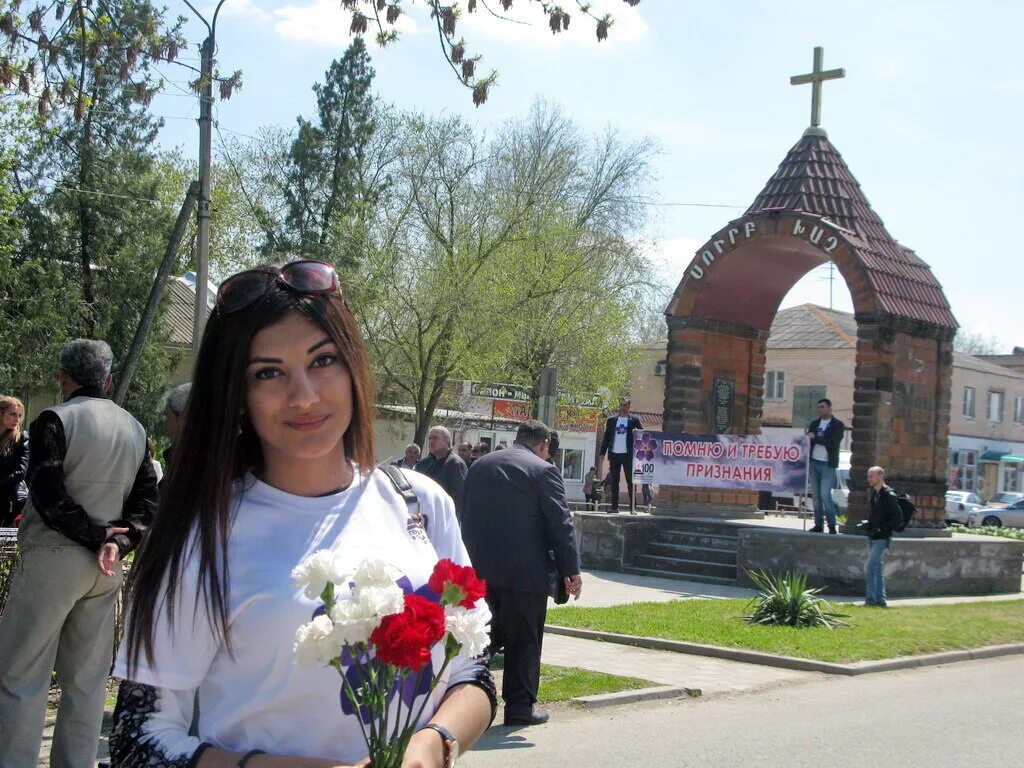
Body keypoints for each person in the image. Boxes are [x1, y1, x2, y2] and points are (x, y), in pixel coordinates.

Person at [111, 259, 495, 767]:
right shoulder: (201, 535)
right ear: (237, 393)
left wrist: (431, 745)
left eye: (323, 361)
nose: (304, 395)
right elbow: (140, 740)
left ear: (354, 366)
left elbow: (474, 671)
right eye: (268, 372)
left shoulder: (419, 503)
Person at [0, 339, 159, 768]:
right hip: (106, 567)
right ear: (107, 378)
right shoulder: (135, 428)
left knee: (20, 673)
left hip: (55, 555)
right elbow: (147, 503)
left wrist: (94, 534)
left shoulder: (54, 420)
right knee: (87, 680)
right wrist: (117, 541)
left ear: (63, 377)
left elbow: (48, 495)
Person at [461, 419, 582, 727]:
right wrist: (571, 570)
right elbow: (560, 523)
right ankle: (519, 708)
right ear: (543, 445)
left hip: (480, 569)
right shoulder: (543, 470)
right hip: (525, 574)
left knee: (483, 637)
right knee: (524, 640)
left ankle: (461, 697)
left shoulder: (479, 465)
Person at [806, 398, 846, 534]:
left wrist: (815, 437)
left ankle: (832, 526)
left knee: (825, 495)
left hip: (827, 465)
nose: (820, 409)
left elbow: (833, 443)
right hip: (814, 463)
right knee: (816, 497)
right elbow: (808, 440)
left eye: (822, 407)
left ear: (829, 408)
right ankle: (818, 525)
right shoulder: (815, 424)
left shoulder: (837, 425)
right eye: (818, 407)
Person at [864, 465, 901, 607]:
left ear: (880, 477)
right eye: (868, 476)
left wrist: (882, 528)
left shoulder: (889, 495)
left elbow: (898, 519)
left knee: (870, 566)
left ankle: (870, 600)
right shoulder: (875, 494)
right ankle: (880, 600)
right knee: (877, 569)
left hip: (882, 537)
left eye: (871, 476)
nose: (869, 479)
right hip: (873, 536)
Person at [599, 398, 642, 513]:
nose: (623, 407)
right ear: (619, 406)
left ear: (629, 406)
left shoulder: (634, 420)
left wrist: (636, 434)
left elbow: (641, 437)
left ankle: (633, 507)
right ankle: (614, 507)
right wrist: (602, 453)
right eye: (621, 405)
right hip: (614, 454)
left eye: (625, 405)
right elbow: (607, 437)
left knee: (630, 481)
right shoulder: (612, 421)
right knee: (614, 482)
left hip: (628, 455)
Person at [416, 425, 469, 517]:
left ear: (447, 441)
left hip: (445, 517)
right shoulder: (426, 463)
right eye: (430, 438)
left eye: (435, 438)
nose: (431, 441)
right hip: (427, 516)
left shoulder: (456, 464)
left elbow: (459, 498)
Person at [0, 395, 29, 527]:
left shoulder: (21, 438)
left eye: (19, 415)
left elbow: (21, 471)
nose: (17, 419)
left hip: (10, 499)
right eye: (12, 414)